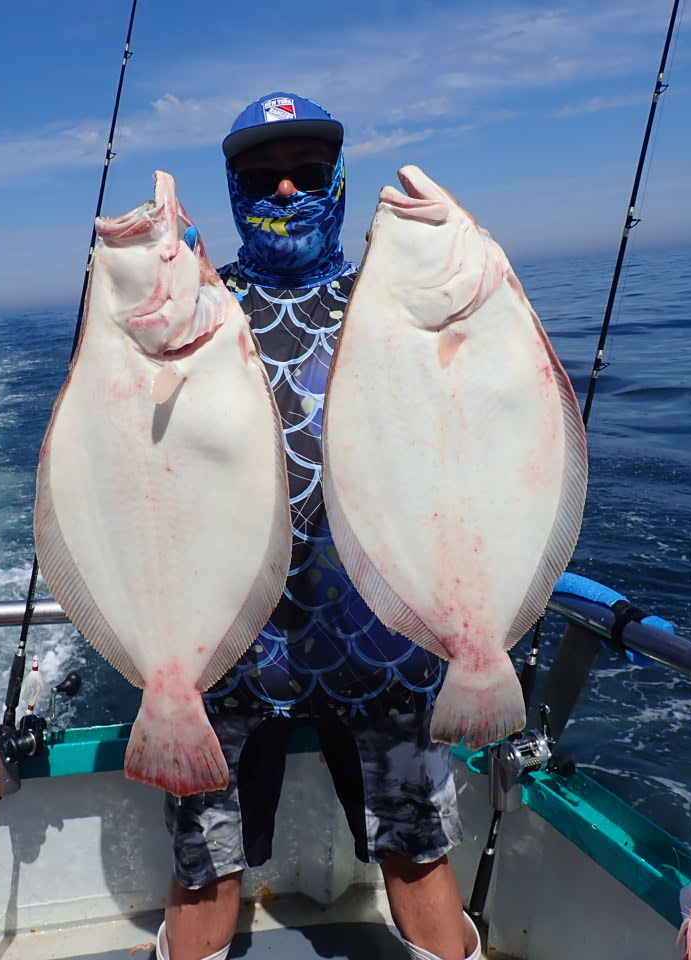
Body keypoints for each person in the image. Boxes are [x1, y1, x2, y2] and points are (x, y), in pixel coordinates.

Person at [155, 93, 481, 960]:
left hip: (382, 632)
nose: (286, 187)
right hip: (226, 642)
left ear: (341, 179)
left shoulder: (392, 301)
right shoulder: (199, 310)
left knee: (416, 854)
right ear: (231, 188)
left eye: (306, 169)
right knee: (204, 868)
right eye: (260, 175)